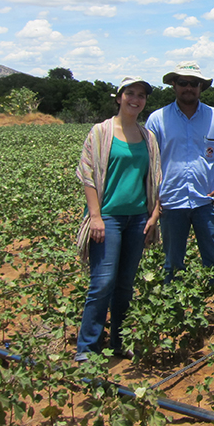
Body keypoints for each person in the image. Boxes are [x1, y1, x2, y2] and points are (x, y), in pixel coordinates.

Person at [74, 77, 161, 362]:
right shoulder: (101, 132)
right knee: (102, 282)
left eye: (141, 95)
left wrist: (154, 215)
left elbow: (155, 178)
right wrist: (95, 217)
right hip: (107, 218)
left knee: (125, 284)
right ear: (119, 97)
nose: (135, 99)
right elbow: (87, 174)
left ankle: (119, 341)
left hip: (137, 219)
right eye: (130, 94)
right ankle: (87, 348)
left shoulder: (147, 137)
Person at [145, 61, 214, 312]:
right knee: (173, 260)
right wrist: (153, 199)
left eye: (194, 83)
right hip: (170, 201)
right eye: (183, 82)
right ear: (174, 85)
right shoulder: (157, 119)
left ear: (201, 87)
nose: (188, 88)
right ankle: (174, 309)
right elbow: (148, 161)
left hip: (207, 200)